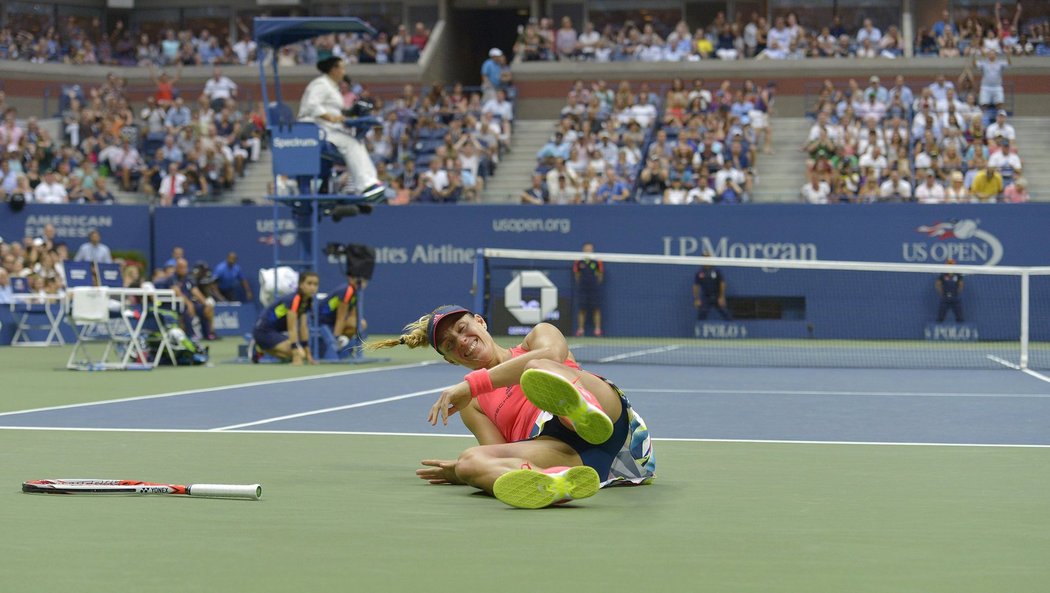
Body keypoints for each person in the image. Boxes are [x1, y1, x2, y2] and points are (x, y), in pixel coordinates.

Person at [366, 305, 655, 509]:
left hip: (607, 417)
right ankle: (550, 482)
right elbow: (495, 453)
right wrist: (463, 472)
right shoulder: (473, 406)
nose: (461, 342)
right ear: (450, 360)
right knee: (469, 459)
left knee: (538, 365)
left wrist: (473, 384)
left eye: (462, 328)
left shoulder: (537, 338)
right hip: (567, 455)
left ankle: (581, 413)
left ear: (481, 322)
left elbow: (554, 353)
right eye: (450, 345)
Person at [297, 56, 385, 201]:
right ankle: (366, 185)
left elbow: (337, 109)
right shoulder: (321, 83)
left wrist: (351, 112)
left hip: (327, 129)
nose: (344, 72)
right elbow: (312, 105)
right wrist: (329, 117)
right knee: (351, 144)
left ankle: (371, 183)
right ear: (334, 69)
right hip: (313, 129)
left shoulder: (332, 87)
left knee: (357, 143)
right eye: (342, 68)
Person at [251, 271, 319, 365]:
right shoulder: (294, 300)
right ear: (301, 284)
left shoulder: (307, 301)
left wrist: (309, 356)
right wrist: (296, 356)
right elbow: (292, 328)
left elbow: (303, 328)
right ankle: (259, 345)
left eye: (315, 284)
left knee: (301, 355)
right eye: (309, 283)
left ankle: (260, 349)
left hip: (274, 331)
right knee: (299, 354)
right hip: (262, 330)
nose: (312, 287)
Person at [318, 276, 365, 348]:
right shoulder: (347, 291)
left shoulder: (356, 292)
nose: (362, 282)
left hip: (332, 320)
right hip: (322, 321)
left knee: (361, 324)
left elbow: (353, 316)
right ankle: (336, 344)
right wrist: (336, 340)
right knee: (357, 324)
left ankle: (343, 343)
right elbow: (340, 318)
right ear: (350, 278)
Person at [693, 253, 731, 334]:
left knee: (726, 314)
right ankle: (699, 334)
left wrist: (721, 297)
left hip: (717, 296)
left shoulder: (716, 271)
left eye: (707, 257)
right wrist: (696, 299)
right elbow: (696, 286)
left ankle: (732, 331)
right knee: (702, 314)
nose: (706, 259)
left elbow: (722, 284)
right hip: (705, 297)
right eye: (704, 257)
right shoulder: (700, 272)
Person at [572, 243, 604, 337]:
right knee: (582, 309)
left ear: (592, 250)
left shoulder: (597, 261)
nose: (588, 250)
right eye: (586, 248)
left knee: (596, 309)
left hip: (594, 288)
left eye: (590, 248)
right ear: (583, 250)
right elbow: (577, 275)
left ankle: (597, 330)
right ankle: (580, 330)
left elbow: (600, 275)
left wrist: (595, 284)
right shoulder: (579, 261)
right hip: (582, 288)